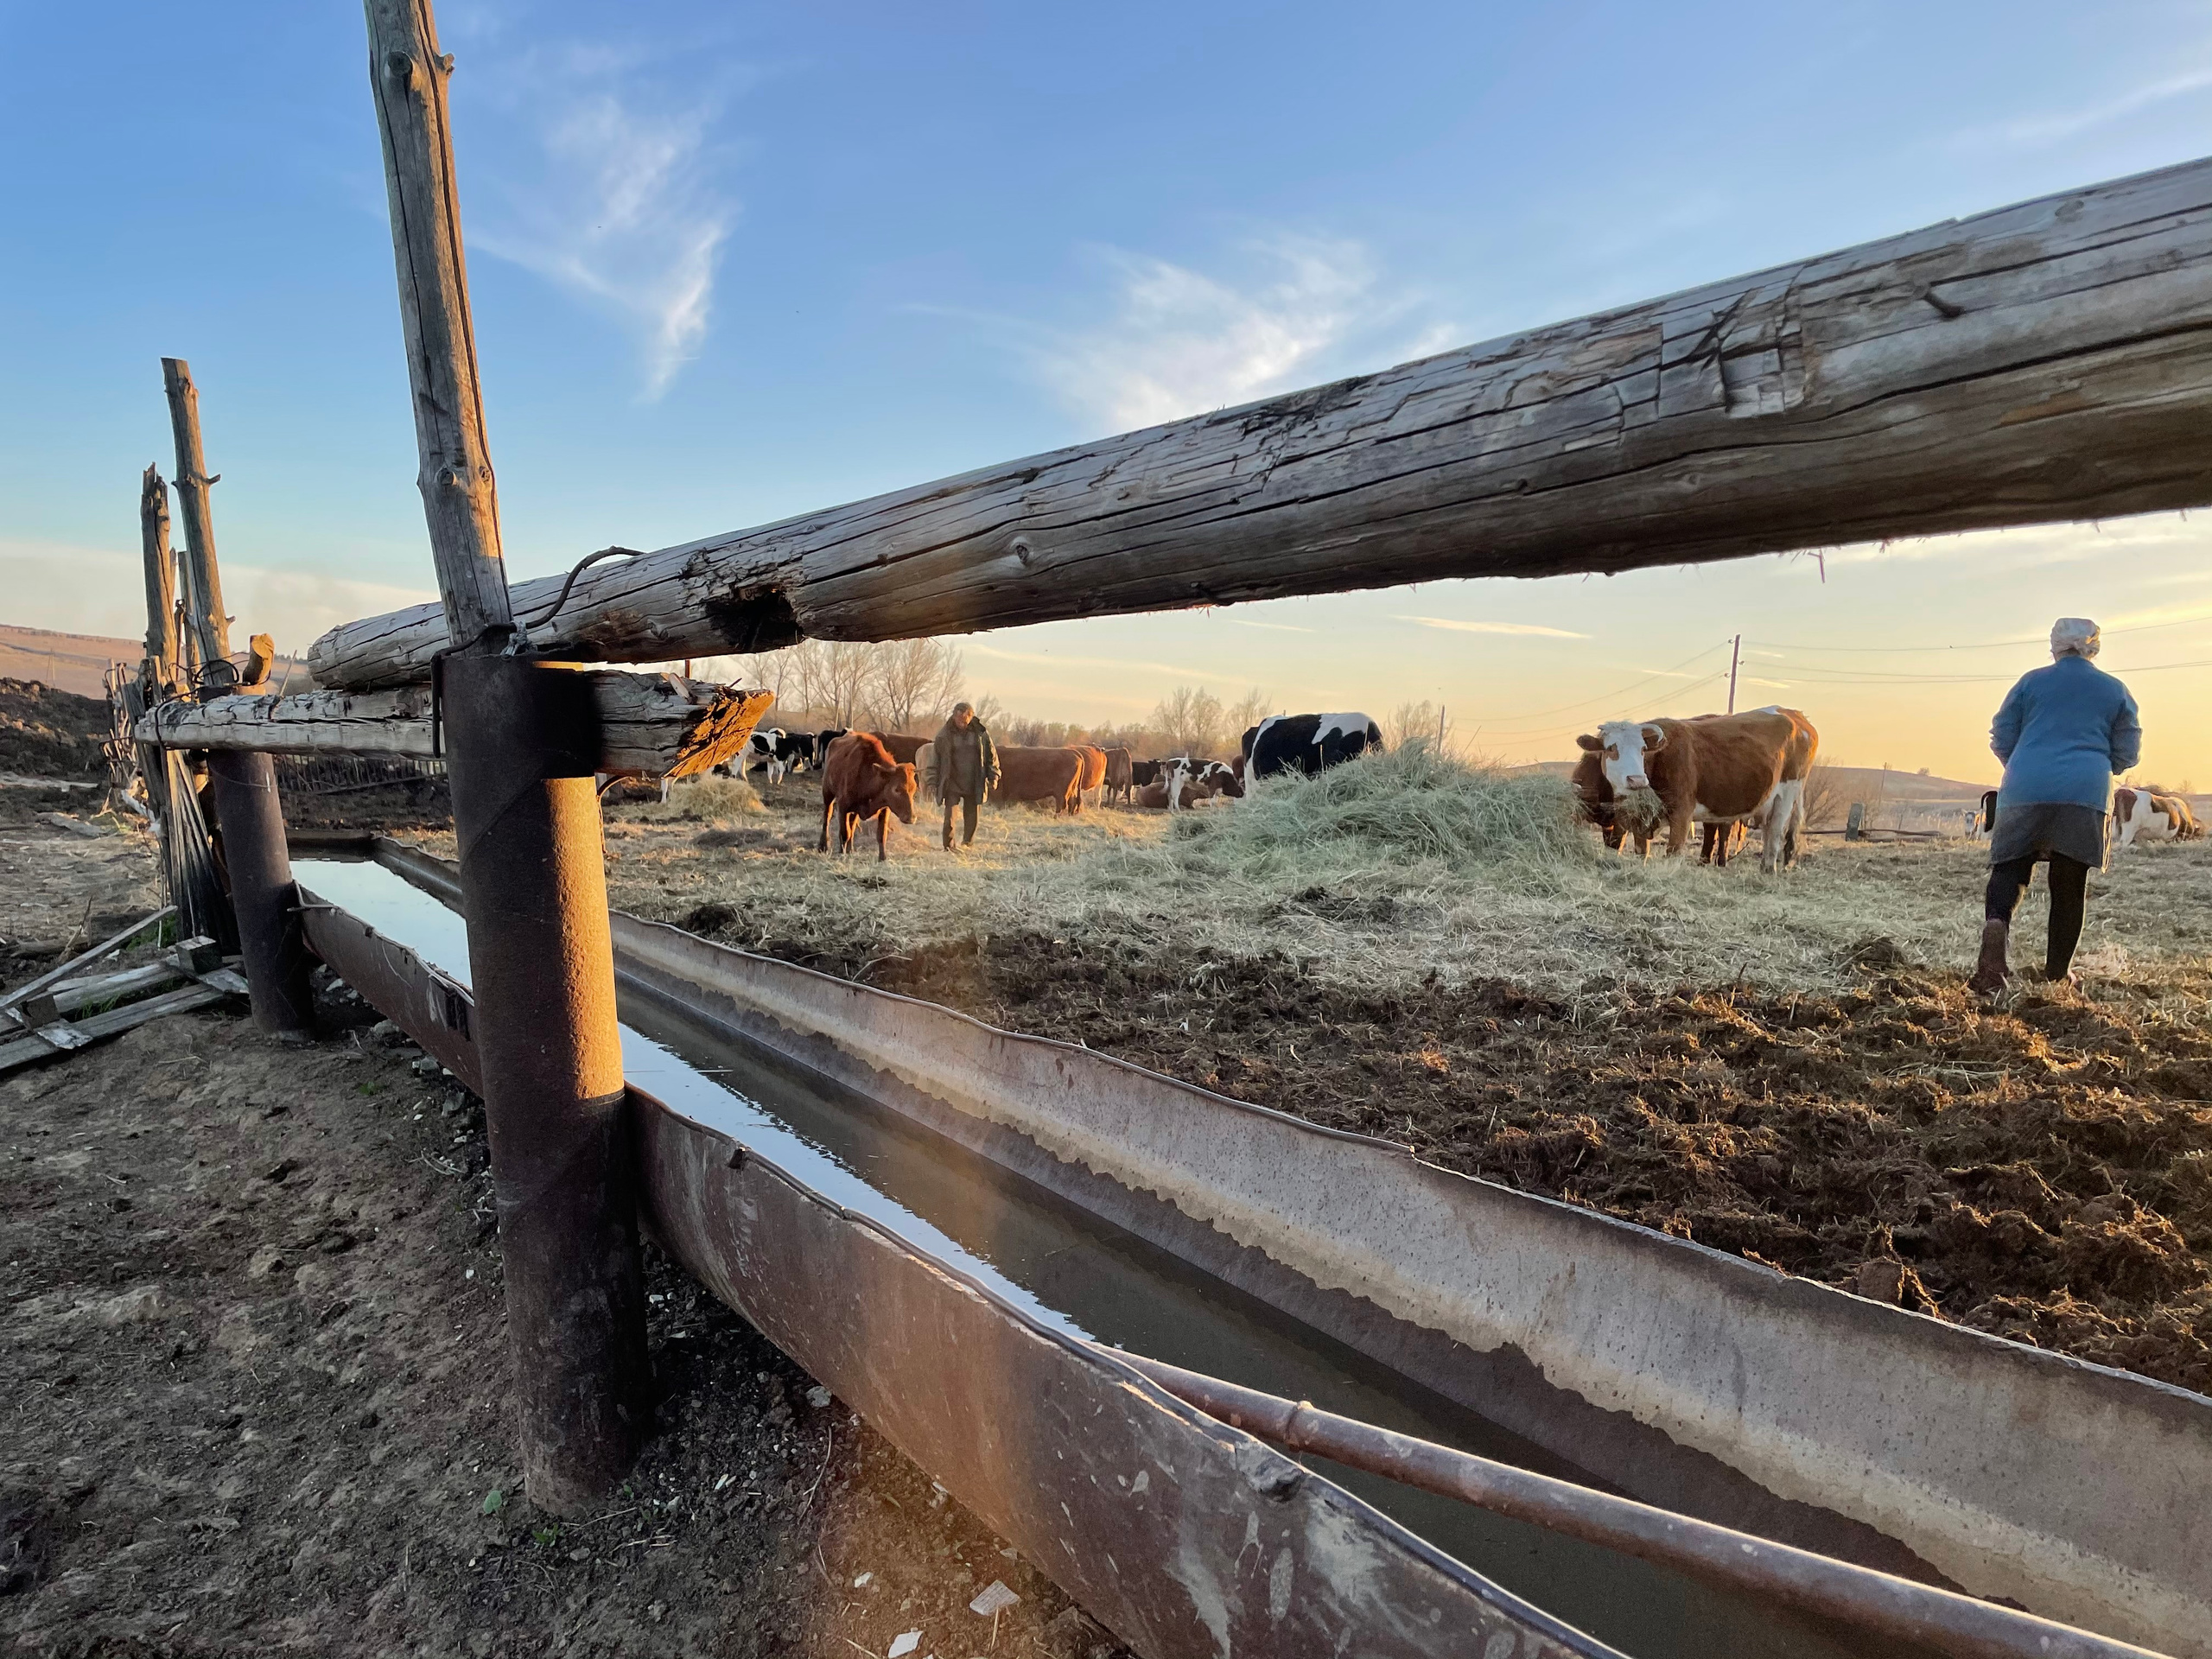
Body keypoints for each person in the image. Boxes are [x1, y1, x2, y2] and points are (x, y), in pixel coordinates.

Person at [1969, 618, 2140, 995]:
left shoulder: (2030, 682)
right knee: (2068, 882)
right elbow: (2128, 749)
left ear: (2055, 646)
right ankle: (2058, 974)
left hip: (2024, 784)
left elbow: (2001, 733)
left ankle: (1996, 935)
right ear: (2093, 648)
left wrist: (2023, 765)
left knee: (2010, 868)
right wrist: (2101, 764)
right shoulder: (2115, 690)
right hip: (2084, 789)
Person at [933, 701, 1001, 851]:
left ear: (971, 718)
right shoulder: (944, 735)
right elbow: (935, 760)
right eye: (958, 720)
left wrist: (993, 776)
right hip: (952, 782)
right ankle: (949, 846)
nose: (961, 724)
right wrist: (933, 782)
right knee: (949, 818)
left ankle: (967, 843)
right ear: (953, 717)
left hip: (974, 781)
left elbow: (991, 756)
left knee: (972, 818)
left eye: (964, 720)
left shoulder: (981, 733)